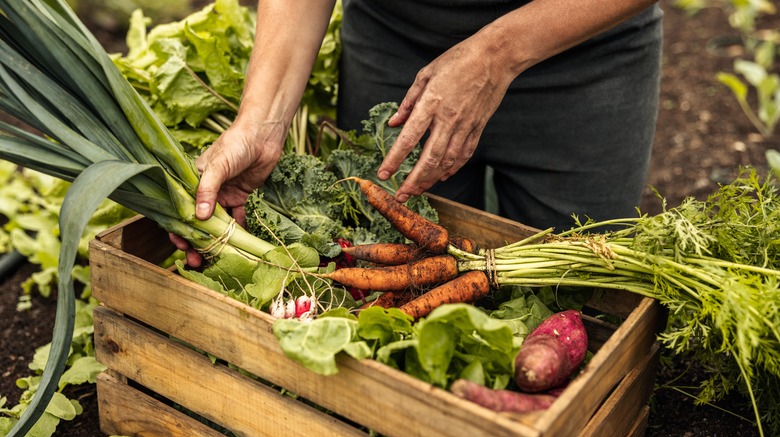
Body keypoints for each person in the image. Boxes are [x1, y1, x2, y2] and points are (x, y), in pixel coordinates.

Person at [171, 0, 663, 267]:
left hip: (583, 51)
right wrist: (262, 122)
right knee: (386, 265)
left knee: (579, 289)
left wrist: (495, 54)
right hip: (396, 40)